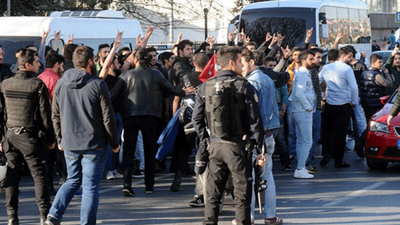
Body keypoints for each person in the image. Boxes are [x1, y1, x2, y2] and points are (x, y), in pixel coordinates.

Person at [45, 46, 119, 225]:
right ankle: (86, 222)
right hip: (94, 142)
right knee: (90, 187)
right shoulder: (97, 84)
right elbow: (108, 117)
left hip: (70, 141)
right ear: (90, 62)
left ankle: (53, 215)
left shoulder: (61, 83)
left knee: (72, 180)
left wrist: (60, 138)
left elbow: (55, 114)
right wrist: (114, 142)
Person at [192, 46, 264, 225]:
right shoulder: (244, 85)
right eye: (240, 61)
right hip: (238, 146)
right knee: (242, 193)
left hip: (215, 145)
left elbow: (196, 118)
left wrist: (206, 140)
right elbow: (255, 120)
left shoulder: (206, 85)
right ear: (231, 63)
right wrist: (258, 146)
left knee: (213, 192)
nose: (242, 65)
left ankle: (210, 222)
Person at [111, 48, 193, 196]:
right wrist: (184, 92)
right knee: (149, 151)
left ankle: (127, 183)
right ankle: (149, 185)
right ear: (148, 60)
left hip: (130, 115)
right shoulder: (155, 74)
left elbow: (113, 96)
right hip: (151, 115)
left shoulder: (125, 75)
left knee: (129, 151)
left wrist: (120, 109)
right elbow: (170, 88)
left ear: (136, 60)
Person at [0, 49, 56, 225]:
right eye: (37, 61)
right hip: (29, 136)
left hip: (10, 136)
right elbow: (45, 116)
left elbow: (1, 113)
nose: (39, 64)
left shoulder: (5, 84)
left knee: (12, 176)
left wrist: (1, 138)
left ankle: (11, 217)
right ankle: (43, 215)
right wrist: (51, 139)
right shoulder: (37, 85)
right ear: (27, 65)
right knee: (39, 176)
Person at [241, 48, 283, 224]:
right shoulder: (266, 78)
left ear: (251, 62)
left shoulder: (251, 82)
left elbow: (253, 113)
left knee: (249, 177)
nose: (240, 67)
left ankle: (249, 217)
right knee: (267, 175)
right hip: (268, 133)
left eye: (242, 63)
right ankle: (270, 216)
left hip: (256, 136)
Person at [319, 47, 358, 168]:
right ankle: (338, 159)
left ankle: (326, 153)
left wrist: (322, 96)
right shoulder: (347, 69)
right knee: (341, 133)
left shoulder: (326, 67)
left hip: (330, 103)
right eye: (349, 56)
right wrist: (353, 101)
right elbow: (353, 87)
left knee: (327, 131)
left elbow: (317, 82)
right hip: (344, 104)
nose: (351, 59)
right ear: (343, 55)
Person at [38, 52, 67, 191]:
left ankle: (47, 186)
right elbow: (59, 104)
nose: (63, 68)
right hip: (55, 122)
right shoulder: (57, 80)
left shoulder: (40, 77)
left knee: (46, 159)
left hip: (40, 123)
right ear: (57, 65)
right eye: (62, 65)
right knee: (60, 155)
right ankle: (65, 182)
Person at [290, 50, 316, 178]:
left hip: (302, 110)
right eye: (311, 59)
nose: (313, 61)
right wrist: (308, 107)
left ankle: (301, 167)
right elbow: (299, 93)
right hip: (303, 111)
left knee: (302, 140)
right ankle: (300, 168)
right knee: (306, 141)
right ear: (304, 60)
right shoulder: (302, 75)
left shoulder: (303, 74)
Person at [359, 53, 393, 121]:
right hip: (376, 104)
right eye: (379, 62)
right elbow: (389, 84)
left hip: (365, 103)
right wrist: (387, 74)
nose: (381, 63)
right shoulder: (377, 75)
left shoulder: (364, 73)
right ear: (373, 63)